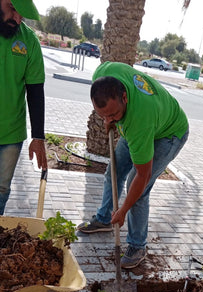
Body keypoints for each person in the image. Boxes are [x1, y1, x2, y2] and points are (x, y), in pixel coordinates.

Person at [77, 62, 189, 269]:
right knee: (115, 170)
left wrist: (123, 210)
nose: (109, 120)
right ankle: (103, 220)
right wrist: (110, 118)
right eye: (103, 115)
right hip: (141, 124)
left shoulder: (139, 120)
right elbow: (113, 113)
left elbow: (142, 175)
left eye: (113, 114)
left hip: (169, 134)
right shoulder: (102, 75)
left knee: (138, 188)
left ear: (125, 97)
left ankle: (137, 245)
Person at [0, 0, 47, 215]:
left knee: (0, 191)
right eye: (14, 10)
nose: (18, 19)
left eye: (22, 15)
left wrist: (38, 137)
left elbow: (35, 90)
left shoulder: (28, 40)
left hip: (10, 135)